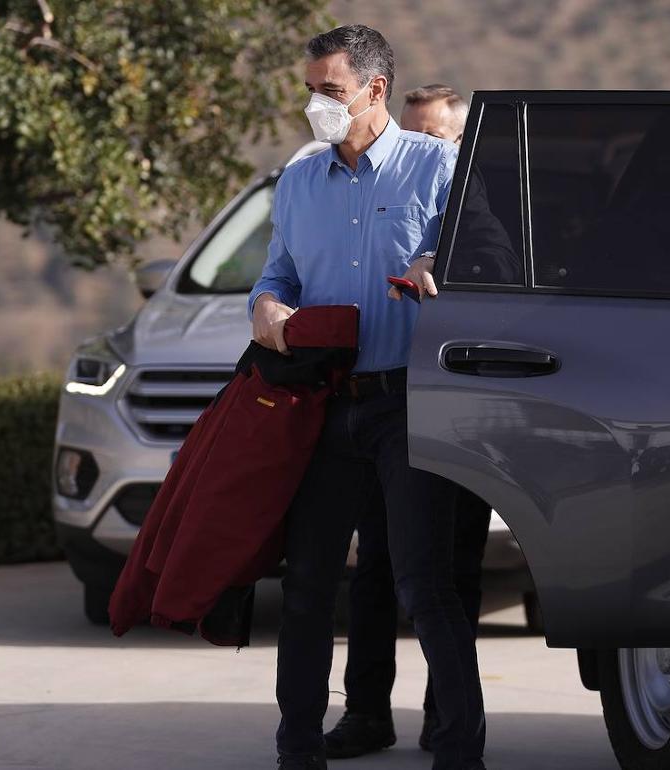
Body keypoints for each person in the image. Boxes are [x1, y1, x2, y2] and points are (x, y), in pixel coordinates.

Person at [250, 25, 486, 770]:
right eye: (311, 89)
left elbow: (489, 254)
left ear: (374, 89)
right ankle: (298, 749)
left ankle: (457, 752)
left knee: (424, 581)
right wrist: (265, 307)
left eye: (331, 90)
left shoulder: (439, 166)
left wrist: (437, 263)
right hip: (323, 405)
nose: (317, 103)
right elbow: (278, 275)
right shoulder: (298, 181)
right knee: (312, 581)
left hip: (409, 403)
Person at [322, 83, 493, 762]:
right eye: (415, 134)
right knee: (377, 570)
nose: (424, 147)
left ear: (461, 141)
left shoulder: (482, 206)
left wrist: (442, 268)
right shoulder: (386, 188)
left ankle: (445, 719)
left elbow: (502, 274)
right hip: (383, 400)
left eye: (437, 137)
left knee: (451, 573)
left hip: (458, 406)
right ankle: (366, 712)